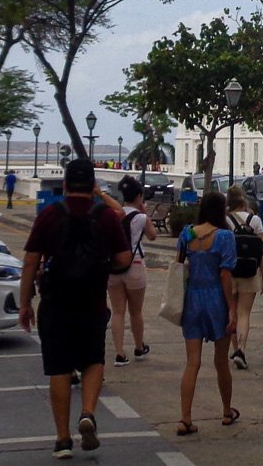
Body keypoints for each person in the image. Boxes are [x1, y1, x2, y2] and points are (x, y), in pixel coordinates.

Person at [19, 157, 131, 460]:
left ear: (65, 184)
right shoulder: (105, 216)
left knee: (59, 368)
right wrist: (102, 264)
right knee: (93, 359)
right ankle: (88, 412)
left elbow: (30, 260)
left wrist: (25, 302)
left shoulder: (51, 214)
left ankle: (63, 439)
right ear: (92, 185)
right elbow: (123, 259)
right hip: (92, 302)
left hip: (55, 303)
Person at [175, 191, 238, 436]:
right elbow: (225, 275)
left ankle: (185, 418)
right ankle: (225, 411)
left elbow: (179, 264)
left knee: (193, 362)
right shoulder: (224, 236)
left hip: (192, 297)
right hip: (215, 299)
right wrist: (232, 308)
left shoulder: (187, 233)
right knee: (221, 361)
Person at [109, 175, 157, 366]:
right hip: (135, 265)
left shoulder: (114, 214)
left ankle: (120, 353)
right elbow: (153, 236)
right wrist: (144, 212)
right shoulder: (140, 217)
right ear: (138, 196)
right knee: (135, 312)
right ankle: (139, 346)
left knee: (117, 311)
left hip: (114, 266)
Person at [225, 186, 263, 370]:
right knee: (244, 313)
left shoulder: (225, 220)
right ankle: (241, 349)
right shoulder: (255, 220)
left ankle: (235, 350)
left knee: (231, 312)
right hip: (250, 272)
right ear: (243, 201)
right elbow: (260, 250)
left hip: (229, 271)